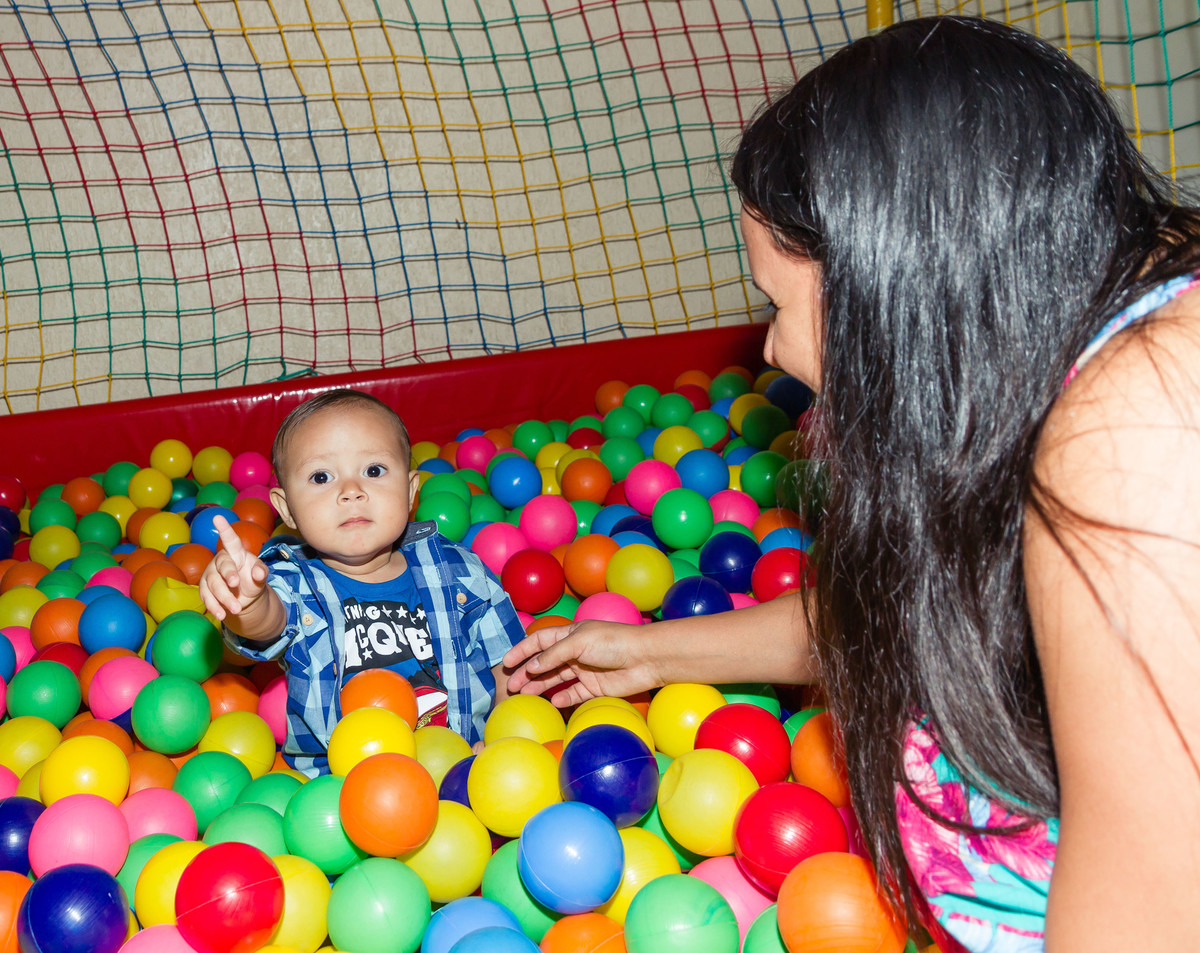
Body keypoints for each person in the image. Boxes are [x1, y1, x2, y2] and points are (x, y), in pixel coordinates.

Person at [505, 15, 1200, 952]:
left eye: (779, 305)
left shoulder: (1137, 432)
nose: (770, 351)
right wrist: (651, 654)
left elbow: (1147, 920)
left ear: (899, 289)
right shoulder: (1044, 364)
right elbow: (916, 615)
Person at [200, 388, 525, 776]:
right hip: (339, 787)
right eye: (322, 477)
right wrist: (249, 601)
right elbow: (268, 622)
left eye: (373, 470)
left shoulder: (460, 572)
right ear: (286, 509)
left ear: (409, 492)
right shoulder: (294, 580)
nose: (351, 491)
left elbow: (510, 666)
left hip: (463, 768)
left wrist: (507, 741)